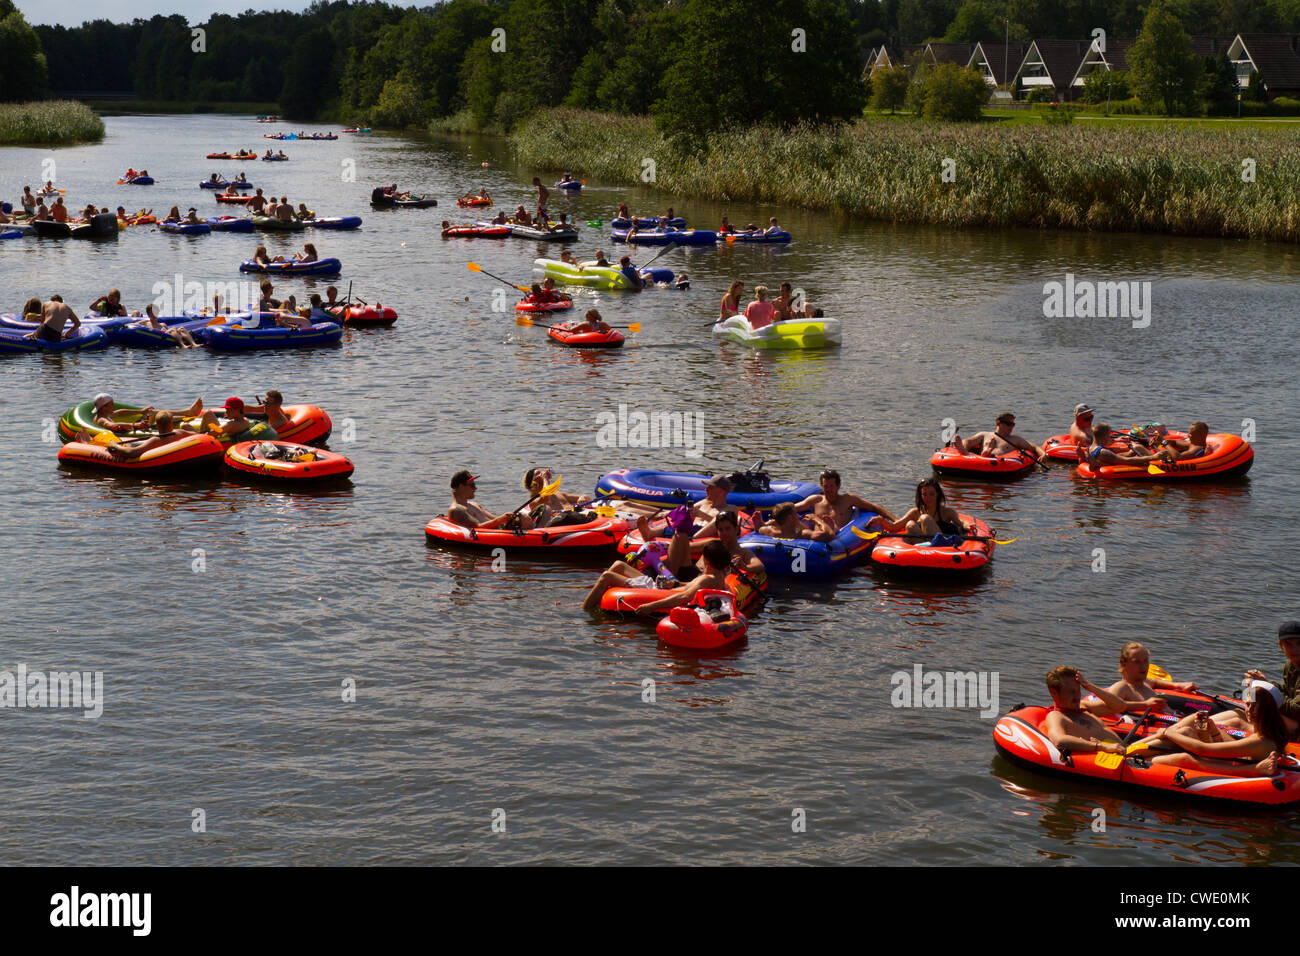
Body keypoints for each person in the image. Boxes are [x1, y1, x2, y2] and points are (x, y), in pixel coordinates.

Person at [1129, 681, 1290, 776]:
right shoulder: (1267, 732)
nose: (1247, 710)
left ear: (1266, 710)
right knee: (1188, 728)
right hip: (1236, 762)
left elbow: (1203, 750)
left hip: (1239, 769)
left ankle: (1128, 757)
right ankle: (1129, 750)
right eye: (1247, 705)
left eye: (1253, 706)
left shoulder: (1261, 741)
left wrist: (1167, 731)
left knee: (1182, 758)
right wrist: (1212, 730)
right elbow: (1230, 750)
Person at [1082, 642, 1198, 717]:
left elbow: (1156, 681)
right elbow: (1111, 705)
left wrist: (1178, 685)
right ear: (1124, 664)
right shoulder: (1122, 687)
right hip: (1165, 726)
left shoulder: (1145, 682)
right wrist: (1145, 704)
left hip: (1176, 716)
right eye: (1137, 662)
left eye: (1145, 661)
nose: (1143, 666)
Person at [1041, 666, 1130, 756]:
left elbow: (1120, 706)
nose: (1077, 696)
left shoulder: (1083, 706)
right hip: (1113, 757)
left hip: (1126, 750)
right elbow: (1059, 740)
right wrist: (1102, 747)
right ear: (1054, 692)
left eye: (1078, 690)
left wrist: (1090, 686)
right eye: (1071, 692)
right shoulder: (1055, 716)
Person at [792, 469, 896, 532]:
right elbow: (793, 508)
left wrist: (896, 521)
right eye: (825, 486)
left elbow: (874, 507)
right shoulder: (815, 500)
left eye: (831, 486)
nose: (828, 490)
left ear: (838, 486)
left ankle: (830, 528)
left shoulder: (848, 500)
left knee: (828, 526)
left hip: (839, 536)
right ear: (822, 487)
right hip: (817, 535)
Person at [1244, 621, 1300, 736]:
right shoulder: (1290, 665)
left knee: (1242, 721)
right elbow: (1289, 691)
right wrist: (1264, 684)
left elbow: (1296, 710)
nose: (1294, 649)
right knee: (1238, 714)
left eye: (1299, 643)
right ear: (1281, 646)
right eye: (1288, 644)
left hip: (1296, 724)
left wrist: (1268, 688)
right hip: (1292, 719)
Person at [877, 478, 969, 541]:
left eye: (932, 494)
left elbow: (961, 523)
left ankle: (937, 544)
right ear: (920, 496)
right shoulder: (915, 512)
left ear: (938, 494)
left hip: (943, 546)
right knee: (910, 524)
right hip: (923, 547)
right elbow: (894, 527)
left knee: (925, 518)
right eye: (924, 495)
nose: (928, 498)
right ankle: (923, 552)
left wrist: (967, 526)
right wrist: (881, 520)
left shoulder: (947, 512)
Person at [446, 470, 534, 531]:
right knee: (524, 518)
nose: (475, 488)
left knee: (541, 510)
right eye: (472, 485)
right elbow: (477, 528)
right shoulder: (456, 510)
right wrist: (500, 520)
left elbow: (495, 520)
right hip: (491, 536)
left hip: (500, 531)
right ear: (461, 487)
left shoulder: (474, 505)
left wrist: (507, 519)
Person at [953, 413, 1046, 462]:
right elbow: (968, 441)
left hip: (999, 462)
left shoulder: (1015, 439)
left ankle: (988, 452)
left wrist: (1043, 454)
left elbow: (1034, 447)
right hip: (979, 460)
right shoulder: (984, 434)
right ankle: (976, 452)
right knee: (967, 443)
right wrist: (964, 448)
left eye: (1013, 424)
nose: (1011, 427)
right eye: (1009, 424)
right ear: (998, 423)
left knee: (990, 453)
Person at [96, 413, 191, 460]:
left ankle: (86, 440)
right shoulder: (180, 433)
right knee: (133, 443)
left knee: (128, 445)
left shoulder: (155, 441)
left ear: (157, 426)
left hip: (153, 455)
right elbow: (199, 435)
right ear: (172, 425)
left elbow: (130, 453)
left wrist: (114, 445)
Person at [183, 397, 277, 442]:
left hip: (215, 437)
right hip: (224, 430)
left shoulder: (231, 425)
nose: (226, 411)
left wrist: (197, 433)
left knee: (184, 426)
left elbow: (212, 434)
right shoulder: (245, 420)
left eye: (228, 409)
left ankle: (195, 431)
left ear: (237, 410)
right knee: (207, 412)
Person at [1083, 423, 1163, 469]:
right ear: (1105, 436)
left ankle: (1159, 458)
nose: (1110, 436)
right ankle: (1161, 461)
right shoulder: (1103, 452)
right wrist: (1154, 457)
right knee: (1138, 451)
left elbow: (1109, 444)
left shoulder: (1091, 447)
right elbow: (1127, 461)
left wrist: (1120, 441)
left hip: (1109, 460)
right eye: (1109, 435)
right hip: (1119, 461)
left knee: (1137, 447)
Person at [757, 502, 835, 542]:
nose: (797, 515)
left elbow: (758, 528)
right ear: (790, 517)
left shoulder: (768, 531)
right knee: (818, 528)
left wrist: (761, 524)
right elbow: (829, 535)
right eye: (795, 513)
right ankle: (824, 526)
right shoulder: (802, 534)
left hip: (787, 529)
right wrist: (817, 519)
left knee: (797, 526)